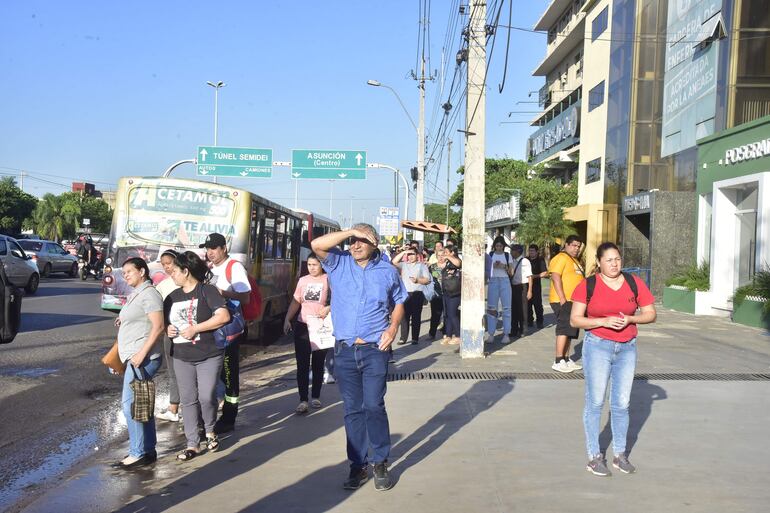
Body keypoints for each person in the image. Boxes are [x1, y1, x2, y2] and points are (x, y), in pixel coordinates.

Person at [311, 223, 407, 491]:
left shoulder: (388, 272)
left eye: (361, 241)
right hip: (345, 350)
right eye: (352, 241)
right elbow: (317, 245)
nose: (355, 245)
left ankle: (379, 462)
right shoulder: (338, 263)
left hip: (375, 349)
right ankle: (358, 465)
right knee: (353, 409)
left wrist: (393, 327)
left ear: (374, 243)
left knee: (373, 405)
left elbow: (399, 300)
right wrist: (351, 231)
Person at [569, 242, 656, 477]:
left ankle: (620, 455)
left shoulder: (633, 283)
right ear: (598, 262)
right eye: (609, 260)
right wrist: (603, 321)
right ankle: (594, 457)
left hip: (627, 348)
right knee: (595, 401)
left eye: (617, 259)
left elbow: (650, 313)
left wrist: (630, 319)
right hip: (598, 346)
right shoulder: (588, 285)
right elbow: (575, 320)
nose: (614, 263)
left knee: (621, 403)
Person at [164, 251, 231, 461]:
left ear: (186, 271)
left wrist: (196, 328)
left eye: (174, 271)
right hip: (182, 355)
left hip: (208, 354)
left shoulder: (207, 291)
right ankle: (192, 443)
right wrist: (169, 330)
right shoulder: (171, 298)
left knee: (206, 395)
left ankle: (210, 430)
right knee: (188, 400)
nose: (171, 275)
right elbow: (166, 324)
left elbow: (223, 316)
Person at [112, 257, 164, 469]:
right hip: (133, 357)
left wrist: (142, 354)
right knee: (142, 404)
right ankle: (148, 449)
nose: (126, 275)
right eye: (123, 272)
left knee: (130, 406)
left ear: (142, 271)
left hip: (142, 358)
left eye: (129, 271)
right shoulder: (138, 293)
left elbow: (158, 326)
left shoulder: (149, 293)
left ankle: (138, 452)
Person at [200, 232, 251, 434]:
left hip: (228, 329)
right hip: (212, 328)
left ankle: (229, 417)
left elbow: (245, 298)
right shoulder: (211, 269)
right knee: (214, 373)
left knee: (229, 374)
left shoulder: (234, 268)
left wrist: (221, 293)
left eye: (214, 248)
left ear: (224, 248)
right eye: (208, 249)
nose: (210, 252)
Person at [283, 253, 331, 414]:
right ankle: (303, 399)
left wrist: (328, 308)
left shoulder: (328, 279)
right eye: (309, 265)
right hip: (303, 325)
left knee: (318, 363)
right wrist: (287, 319)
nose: (312, 268)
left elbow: (339, 299)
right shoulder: (303, 281)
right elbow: (296, 301)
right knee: (302, 364)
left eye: (315, 265)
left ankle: (316, 396)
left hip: (320, 326)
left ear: (321, 265)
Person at [548, 235, 585, 373]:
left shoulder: (574, 260)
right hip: (563, 300)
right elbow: (555, 276)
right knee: (564, 328)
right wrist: (563, 298)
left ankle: (566, 358)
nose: (577, 248)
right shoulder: (560, 258)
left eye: (578, 246)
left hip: (574, 301)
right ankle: (558, 360)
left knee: (571, 330)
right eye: (574, 245)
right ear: (567, 245)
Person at [155, 249, 182, 423]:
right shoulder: (163, 286)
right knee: (173, 371)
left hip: (189, 334)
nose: (167, 267)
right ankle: (174, 407)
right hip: (169, 334)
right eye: (163, 264)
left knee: (191, 370)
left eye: (169, 263)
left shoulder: (186, 282)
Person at [391, 246, 431, 345]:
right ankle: (403, 338)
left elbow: (427, 280)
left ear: (417, 255)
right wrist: (404, 252)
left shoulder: (422, 266)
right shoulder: (404, 265)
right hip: (405, 293)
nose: (410, 256)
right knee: (404, 317)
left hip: (417, 293)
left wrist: (418, 280)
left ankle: (415, 338)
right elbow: (394, 262)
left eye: (412, 254)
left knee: (416, 317)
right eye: (409, 255)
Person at [485, 236, 513, 344]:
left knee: (506, 308)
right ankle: (491, 334)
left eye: (501, 246)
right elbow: (487, 269)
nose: (499, 248)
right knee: (492, 308)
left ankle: (506, 334)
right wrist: (492, 265)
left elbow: (511, 272)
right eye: (497, 246)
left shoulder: (507, 255)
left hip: (505, 281)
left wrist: (503, 266)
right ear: (494, 246)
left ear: (504, 246)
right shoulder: (490, 255)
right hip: (493, 281)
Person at [509, 244, 533, 338]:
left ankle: (523, 329)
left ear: (517, 251)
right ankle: (514, 330)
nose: (511, 252)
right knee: (513, 309)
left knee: (522, 309)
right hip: (513, 287)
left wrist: (530, 291)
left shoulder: (525, 261)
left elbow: (529, 276)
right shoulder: (512, 261)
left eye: (512, 250)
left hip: (522, 287)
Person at [441, 244, 463, 345]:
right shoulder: (447, 263)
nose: (444, 254)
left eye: (446, 252)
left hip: (455, 292)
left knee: (453, 314)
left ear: (452, 252)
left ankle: (458, 335)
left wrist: (448, 256)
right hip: (446, 291)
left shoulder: (456, 260)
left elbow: (458, 264)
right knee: (447, 315)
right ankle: (448, 335)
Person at [527, 244, 548, 329]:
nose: (531, 253)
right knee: (527, 304)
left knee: (537, 305)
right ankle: (529, 321)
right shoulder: (526, 259)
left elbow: (545, 273)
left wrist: (534, 276)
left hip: (536, 286)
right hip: (526, 285)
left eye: (533, 251)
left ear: (537, 252)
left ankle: (540, 321)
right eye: (530, 251)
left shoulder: (540, 260)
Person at [427, 247, 445, 340]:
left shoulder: (449, 265)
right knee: (435, 314)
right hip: (436, 293)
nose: (441, 257)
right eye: (439, 256)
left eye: (443, 255)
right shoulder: (432, 267)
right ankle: (432, 333)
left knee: (447, 314)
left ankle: (446, 333)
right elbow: (428, 279)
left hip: (448, 293)